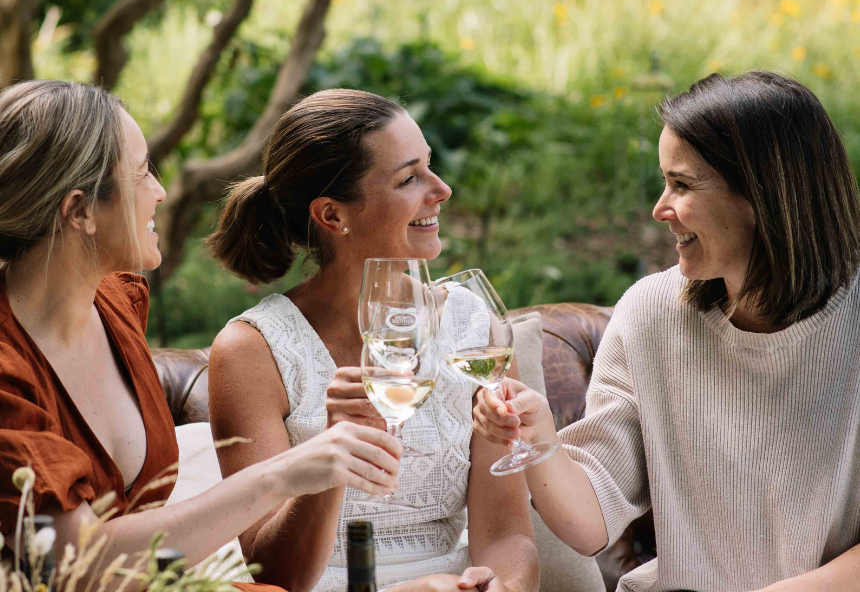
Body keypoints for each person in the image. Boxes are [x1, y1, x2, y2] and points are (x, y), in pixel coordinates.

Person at [0, 80, 403, 587]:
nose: (160, 191)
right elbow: (76, 566)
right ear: (80, 210)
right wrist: (287, 472)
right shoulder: (7, 371)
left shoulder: (117, 303)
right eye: (143, 172)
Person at [472, 72, 860, 592]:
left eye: (681, 184)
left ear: (760, 194)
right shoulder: (652, 310)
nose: (660, 209)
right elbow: (588, 524)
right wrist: (539, 437)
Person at [206, 89, 538, 592]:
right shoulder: (253, 352)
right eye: (409, 178)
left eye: (431, 166)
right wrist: (331, 461)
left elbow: (508, 535)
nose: (442, 189)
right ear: (333, 216)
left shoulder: (474, 330)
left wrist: (501, 588)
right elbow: (271, 577)